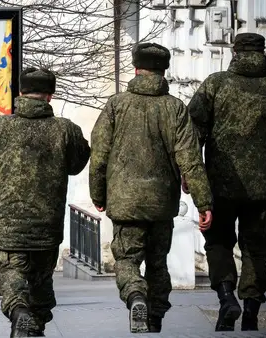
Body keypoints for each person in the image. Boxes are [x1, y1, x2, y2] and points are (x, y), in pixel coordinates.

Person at [89, 43, 213, 333]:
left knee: (128, 259)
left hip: (124, 203)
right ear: (163, 70)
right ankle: (155, 315)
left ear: (135, 68)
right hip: (161, 204)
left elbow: (100, 154)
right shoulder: (175, 108)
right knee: (158, 264)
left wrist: (98, 194)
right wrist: (204, 202)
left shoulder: (116, 105)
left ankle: (135, 296)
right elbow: (190, 159)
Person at [0, 67, 91, 337]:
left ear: (20, 93)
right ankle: (33, 326)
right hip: (48, 226)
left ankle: (19, 314)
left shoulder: (2, 126)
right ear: (50, 96)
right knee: (41, 287)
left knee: (13, 275)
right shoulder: (64, 129)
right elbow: (78, 163)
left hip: (12, 227)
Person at [186, 33, 266, 332]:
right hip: (265, 188)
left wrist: (190, 175)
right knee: (256, 247)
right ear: (262, 52)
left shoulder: (216, 83)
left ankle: (226, 299)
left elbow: (191, 132)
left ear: (234, 51)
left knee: (219, 242)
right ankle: (251, 310)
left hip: (220, 185)